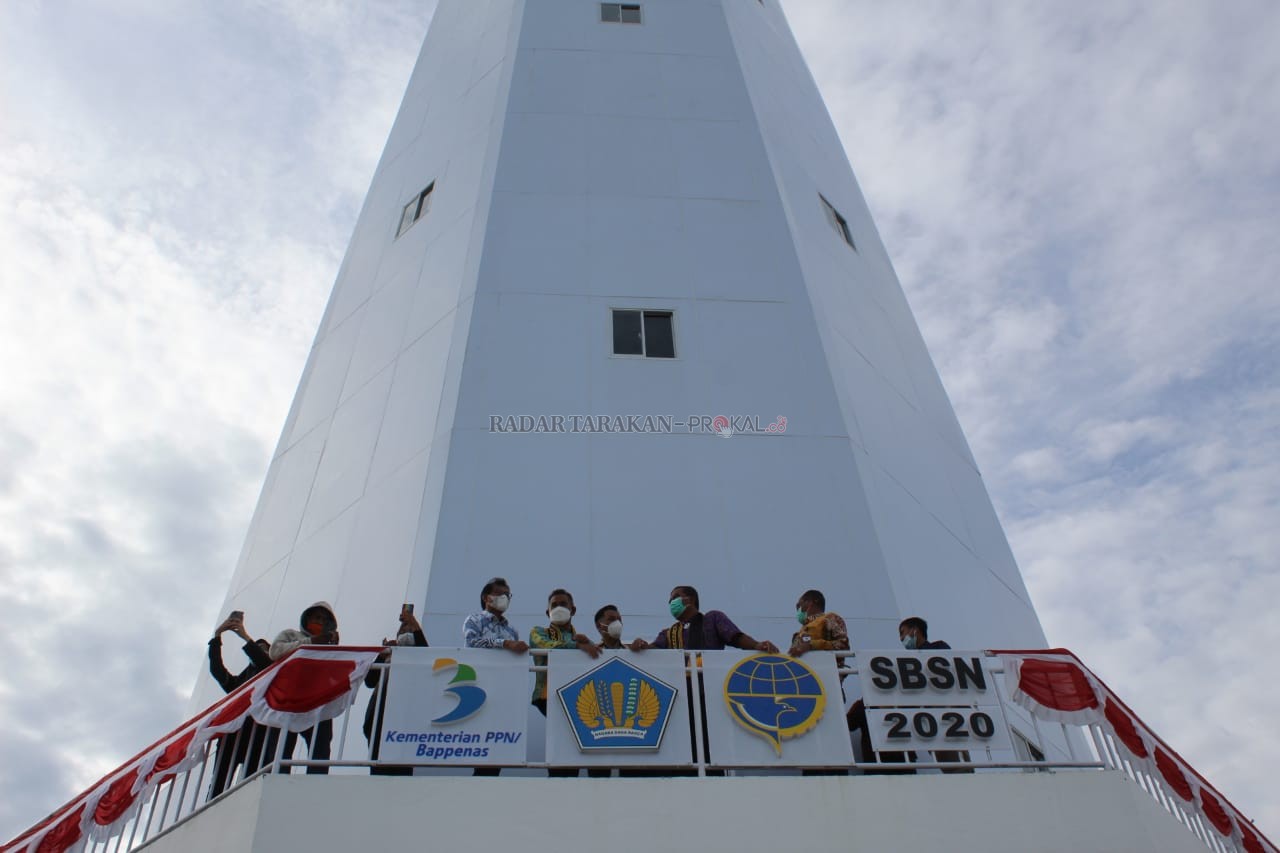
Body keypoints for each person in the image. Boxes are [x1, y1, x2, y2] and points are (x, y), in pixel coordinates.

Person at [529, 589, 598, 777]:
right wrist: (578, 646)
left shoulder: (582, 639)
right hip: (548, 696)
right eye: (554, 605)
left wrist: (586, 643)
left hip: (581, 698)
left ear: (573, 610)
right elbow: (545, 646)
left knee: (586, 737)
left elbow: (598, 658)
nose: (559, 608)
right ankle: (560, 783)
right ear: (547, 612)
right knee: (562, 741)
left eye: (563, 604)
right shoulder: (538, 632)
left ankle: (595, 782)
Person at [207, 611, 276, 797]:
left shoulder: (272, 673)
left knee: (250, 787)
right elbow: (217, 671)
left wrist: (245, 637)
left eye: (264, 649)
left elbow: (264, 664)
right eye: (257, 647)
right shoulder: (240, 683)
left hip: (258, 737)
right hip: (232, 736)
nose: (259, 651)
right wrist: (216, 638)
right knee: (218, 785)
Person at [463, 578, 527, 775]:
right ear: (486, 598)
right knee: (480, 738)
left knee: (497, 739)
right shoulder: (474, 619)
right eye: (499, 594)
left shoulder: (512, 630)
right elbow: (472, 643)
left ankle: (491, 778)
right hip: (480, 684)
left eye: (507, 595)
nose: (504, 598)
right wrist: (504, 644)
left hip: (504, 689)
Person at [270, 601, 340, 775]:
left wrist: (335, 648)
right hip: (291, 700)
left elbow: (334, 674)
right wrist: (310, 642)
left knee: (321, 747)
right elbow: (274, 652)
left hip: (318, 702)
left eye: (325, 620)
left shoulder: (327, 646)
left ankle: (316, 783)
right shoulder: (291, 635)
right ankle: (279, 779)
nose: (321, 623)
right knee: (283, 745)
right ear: (307, 618)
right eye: (317, 618)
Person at [363, 605, 429, 776]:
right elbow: (369, 681)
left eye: (410, 629)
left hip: (405, 716)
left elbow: (426, 654)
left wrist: (415, 625)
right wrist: (381, 654)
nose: (406, 631)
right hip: (380, 713)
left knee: (403, 764)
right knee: (377, 762)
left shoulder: (418, 657)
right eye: (403, 628)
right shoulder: (388, 655)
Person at [630, 586, 779, 653]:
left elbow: (735, 637)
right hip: (680, 684)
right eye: (670, 600)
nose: (671, 602)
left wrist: (757, 645)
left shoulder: (713, 618)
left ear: (690, 599)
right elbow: (655, 651)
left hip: (710, 679)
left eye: (675, 597)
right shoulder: (668, 633)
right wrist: (642, 646)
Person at [788, 589, 850, 657]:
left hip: (828, 666)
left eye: (799, 605)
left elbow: (844, 645)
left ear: (811, 602)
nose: (798, 610)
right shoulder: (801, 632)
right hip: (804, 667)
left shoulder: (830, 619)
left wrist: (812, 645)